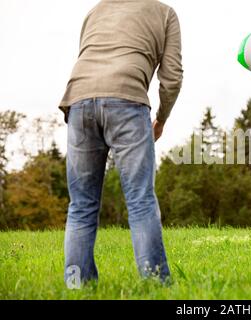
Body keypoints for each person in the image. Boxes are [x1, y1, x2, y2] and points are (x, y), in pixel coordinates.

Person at [59, 0, 183, 287]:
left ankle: (77, 286)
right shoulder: (165, 13)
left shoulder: (95, 11)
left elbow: (85, 55)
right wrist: (162, 119)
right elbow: (172, 78)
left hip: (78, 100)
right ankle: (156, 286)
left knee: (81, 205)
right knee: (140, 200)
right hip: (127, 99)